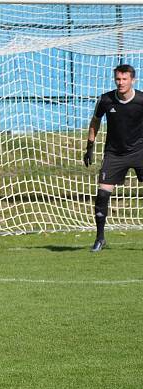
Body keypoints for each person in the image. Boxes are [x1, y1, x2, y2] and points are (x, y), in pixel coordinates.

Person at [82, 64, 143, 252]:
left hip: (140, 151)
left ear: (133, 80)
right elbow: (95, 121)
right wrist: (89, 147)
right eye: (118, 79)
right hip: (114, 154)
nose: (121, 83)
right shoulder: (105, 100)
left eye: (125, 79)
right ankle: (100, 239)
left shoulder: (141, 100)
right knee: (102, 194)